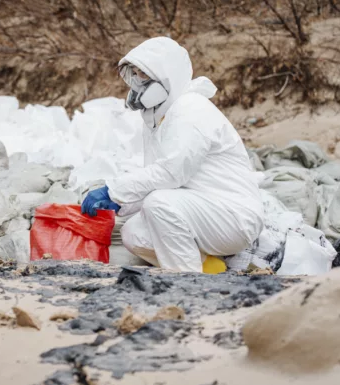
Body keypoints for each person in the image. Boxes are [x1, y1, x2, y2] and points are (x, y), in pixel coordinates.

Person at [81, 37, 263, 272]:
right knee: (134, 232)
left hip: (233, 216)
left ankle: (187, 283)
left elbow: (171, 173)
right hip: (203, 209)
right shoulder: (159, 117)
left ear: (167, 76)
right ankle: (209, 268)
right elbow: (159, 179)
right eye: (134, 74)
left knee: (159, 204)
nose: (137, 82)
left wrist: (114, 191)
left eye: (144, 75)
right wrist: (120, 205)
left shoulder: (190, 110)